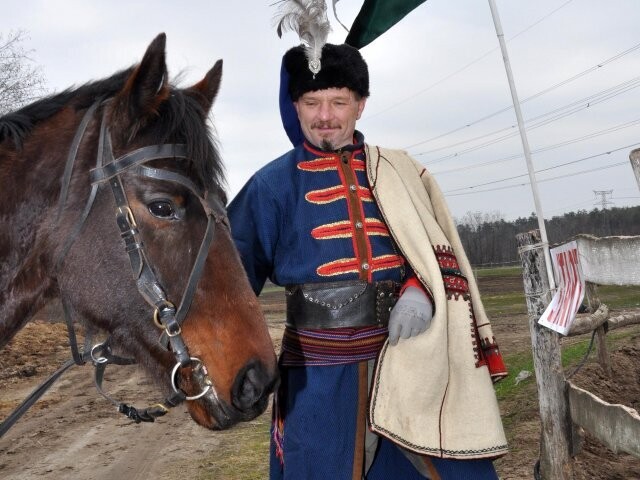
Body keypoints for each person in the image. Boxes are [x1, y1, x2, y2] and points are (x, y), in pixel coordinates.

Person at [228, 42, 508, 480]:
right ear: (295, 107)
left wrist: (419, 292)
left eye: (339, 101)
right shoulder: (268, 187)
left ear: (360, 105)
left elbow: (438, 256)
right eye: (311, 102)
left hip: (411, 362)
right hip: (318, 381)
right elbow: (228, 285)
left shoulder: (401, 172)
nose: (325, 116)